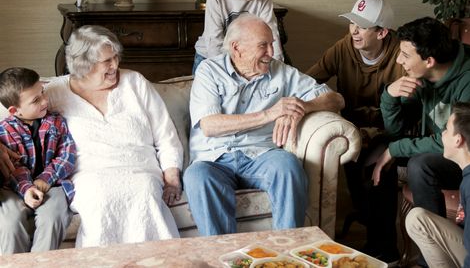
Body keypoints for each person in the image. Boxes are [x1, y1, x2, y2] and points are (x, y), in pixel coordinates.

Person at [183, 13, 345, 236]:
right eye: (263, 46)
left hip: (261, 156)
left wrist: (301, 106)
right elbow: (210, 126)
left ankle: (288, 250)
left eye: (272, 44)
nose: (271, 53)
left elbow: (336, 99)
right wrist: (271, 113)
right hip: (214, 160)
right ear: (236, 48)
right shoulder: (209, 71)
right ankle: (222, 255)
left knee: (288, 165)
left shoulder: (282, 72)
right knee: (196, 177)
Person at [372, 17, 470, 263]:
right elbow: (396, 132)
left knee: (420, 165)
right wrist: (389, 96)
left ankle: (431, 254)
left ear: (428, 61)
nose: (399, 60)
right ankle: (385, 251)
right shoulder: (422, 80)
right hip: (452, 153)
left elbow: (460, 141)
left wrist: (396, 149)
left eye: (405, 55)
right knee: (376, 159)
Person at [45, 25, 184, 247]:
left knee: (144, 191)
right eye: (107, 61)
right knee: (100, 198)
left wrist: (171, 177)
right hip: (90, 175)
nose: (115, 65)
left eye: (116, 57)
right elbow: (19, 120)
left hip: (141, 169)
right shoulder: (54, 93)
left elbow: (165, 135)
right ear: (84, 65)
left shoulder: (135, 83)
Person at [306, 0, 403, 260]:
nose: (354, 31)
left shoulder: (402, 56)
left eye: (362, 26)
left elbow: (409, 113)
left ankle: (386, 251)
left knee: (378, 170)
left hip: (392, 130)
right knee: (356, 171)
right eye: (351, 23)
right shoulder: (343, 47)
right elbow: (309, 81)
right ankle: (370, 240)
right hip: (352, 131)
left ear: (382, 32)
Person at [406, 102, 470, 268]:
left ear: (458, 140)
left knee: (416, 220)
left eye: (447, 130)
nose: (442, 134)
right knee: (418, 217)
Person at [0, 67, 76, 254]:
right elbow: (14, 167)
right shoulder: (5, 131)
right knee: (9, 221)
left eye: (42, 92)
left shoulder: (57, 122)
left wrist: (44, 180)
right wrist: (27, 189)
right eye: (36, 100)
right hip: (14, 188)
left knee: (53, 215)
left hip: (53, 185)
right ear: (14, 110)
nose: (45, 100)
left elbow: (67, 155)